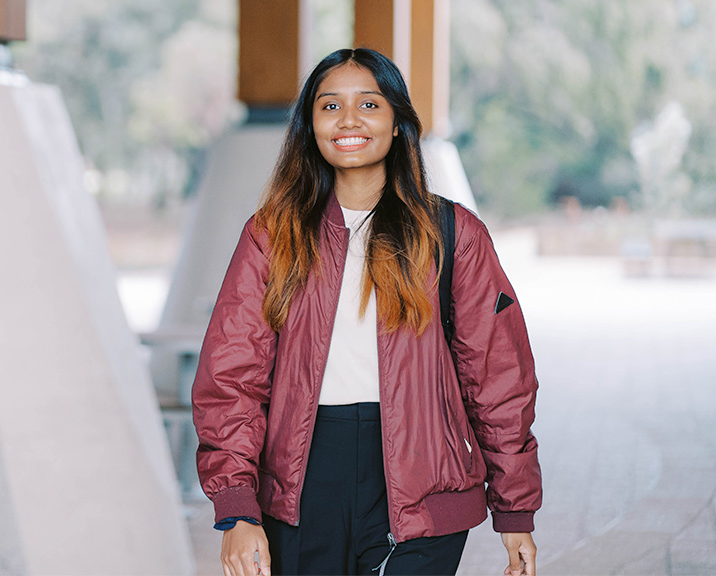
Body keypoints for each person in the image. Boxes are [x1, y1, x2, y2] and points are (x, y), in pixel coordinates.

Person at [192, 48, 541, 576]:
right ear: (309, 126)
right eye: (330, 106)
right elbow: (231, 376)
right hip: (300, 486)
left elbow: (498, 379)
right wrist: (237, 506)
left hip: (423, 485)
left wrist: (515, 509)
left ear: (398, 122)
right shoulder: (272, 236)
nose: (349, 120)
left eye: (369, 104)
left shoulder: (451, 235)